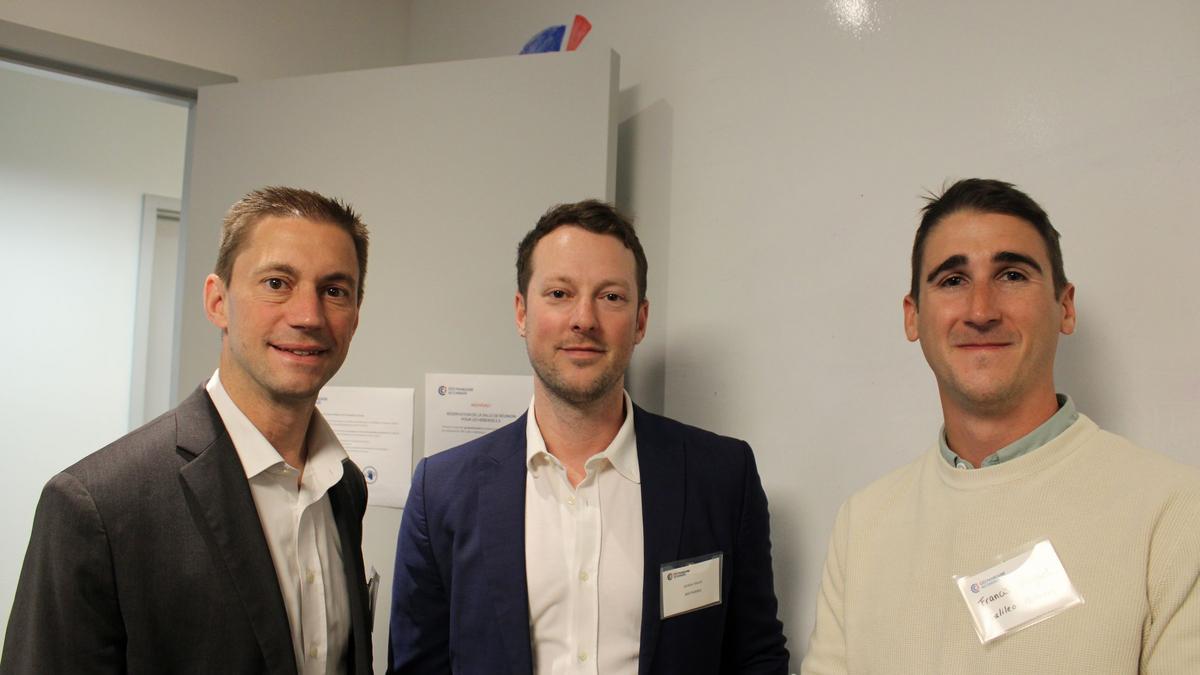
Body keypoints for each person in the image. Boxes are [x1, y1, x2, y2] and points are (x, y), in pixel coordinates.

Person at [800, 178, 1200, 674]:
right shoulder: (862, 525)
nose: (981, 311)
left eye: (1011, 275)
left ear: (1065, 307)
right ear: (913, 317)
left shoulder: (1176, 512)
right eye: (953, 280)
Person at [389, 200, 789, 674]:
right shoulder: (442, 491)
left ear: (640, 321)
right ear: (521, 313)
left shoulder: (722, 477)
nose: (584, 319)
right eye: (559, 293)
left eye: (611, 297)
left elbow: (756, 657)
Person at [1, 187, 375, 675]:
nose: (308, 315)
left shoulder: (344, 487)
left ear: (355, 317)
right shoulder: (97, 505)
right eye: (277, 283)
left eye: (334, 290)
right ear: (218, 301)